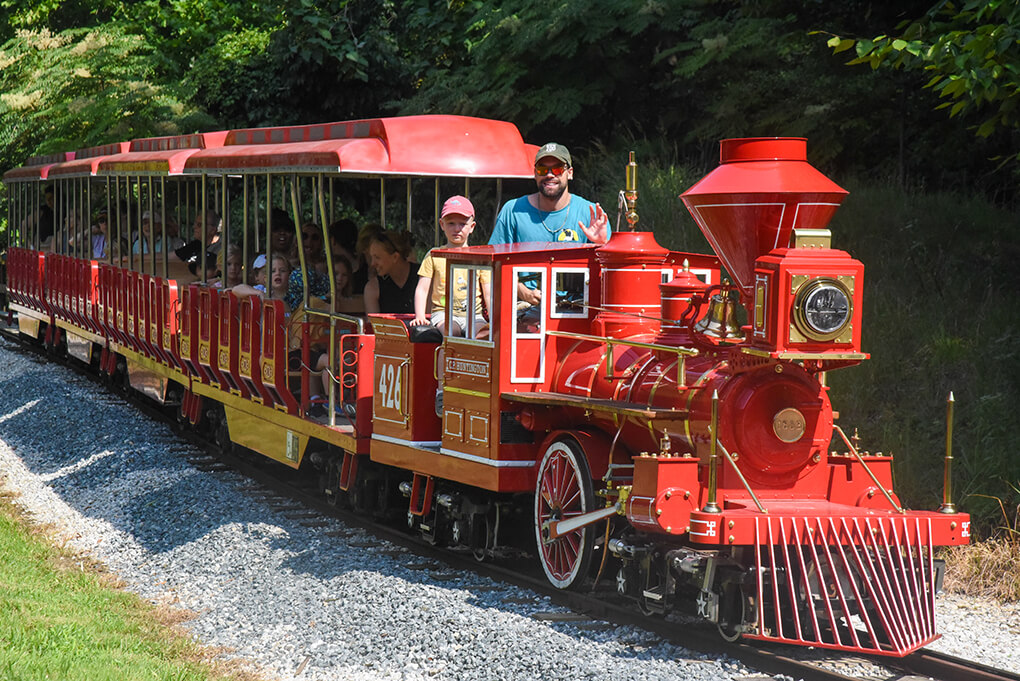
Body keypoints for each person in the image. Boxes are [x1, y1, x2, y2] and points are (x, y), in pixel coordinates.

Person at [488, 142, 610, 247]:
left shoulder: (592, 214)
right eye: (542, 169)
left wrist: (602, 244)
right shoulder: (513, 211)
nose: (550, 175)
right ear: (535, 174)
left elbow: (610, 268)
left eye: (558, 169)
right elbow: (493, 265)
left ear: (570, 173)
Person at [411, 196, 490, 337]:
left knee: (482, 334)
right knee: (452, 333)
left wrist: (495, 320)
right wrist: (420, 316)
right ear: (442, 225)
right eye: (451, 223)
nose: (457, 229)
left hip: (474, 314)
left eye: (462, 224)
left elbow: (488, 292)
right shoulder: (434, 254)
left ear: (472, 227)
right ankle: (446, 358)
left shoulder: (480, 257)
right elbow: (422, 289)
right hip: (443, 313)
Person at [363, 230, 418, 314]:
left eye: (377, 257)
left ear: (395, 257)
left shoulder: (423, 277)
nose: (372, 263)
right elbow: (373, 325)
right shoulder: (373, 287)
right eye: (372, 257)